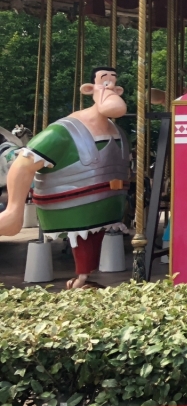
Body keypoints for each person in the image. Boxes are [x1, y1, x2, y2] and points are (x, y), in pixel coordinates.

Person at [0, 67, 131, 289]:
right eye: (103, 82)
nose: (108, 87)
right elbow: (24, 162)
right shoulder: (66, 131)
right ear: (89, 89)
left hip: (100, 205)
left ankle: (82, 277)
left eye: (113, 84)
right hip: (71, 201)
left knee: (91, 237)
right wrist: (14, 208)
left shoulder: (117, 133)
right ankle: (81, 277)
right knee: (83, 236)